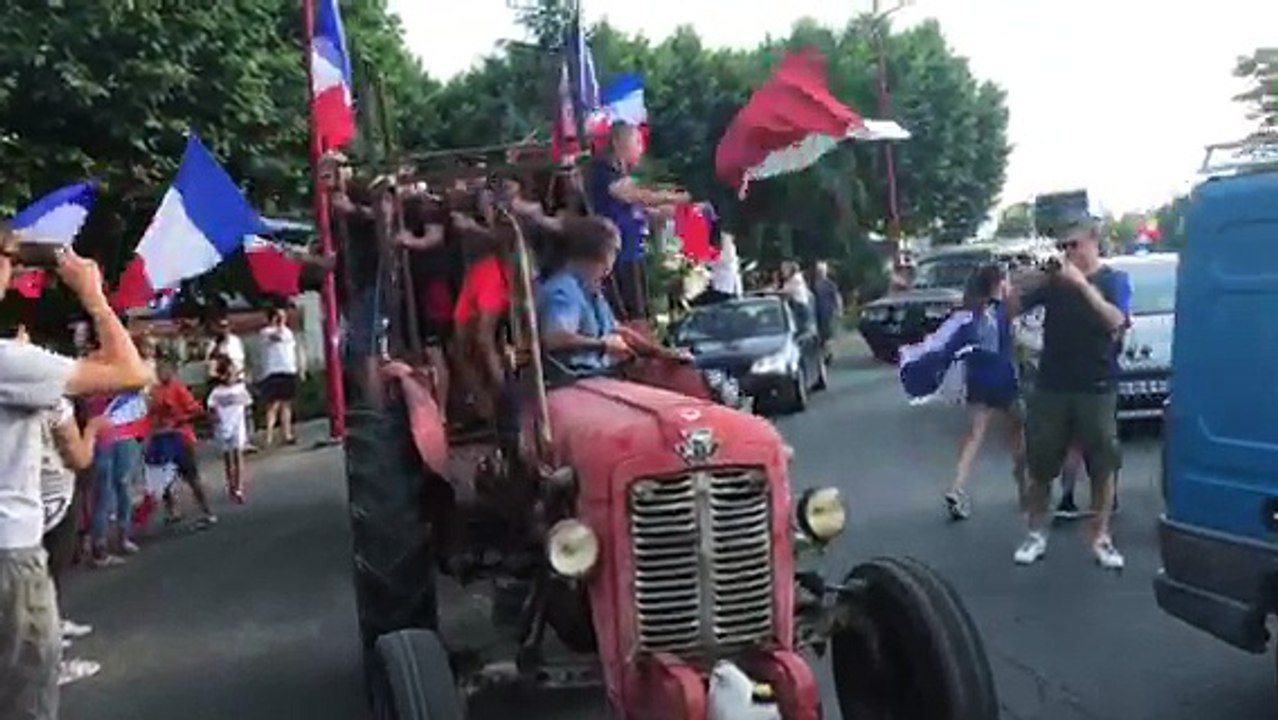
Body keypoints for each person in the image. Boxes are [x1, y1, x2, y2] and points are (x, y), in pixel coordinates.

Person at [0, 233, 152, 720]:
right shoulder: (9, 363)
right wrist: (92, 295)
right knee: (26, 700)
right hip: (9, 552)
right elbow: (131, 372)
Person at [1009, 217, 1132, 570]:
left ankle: (1101, 536)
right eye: (1062, 247)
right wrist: (1018, 282)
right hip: (1052, 385)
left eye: (1073, 245)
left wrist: (1081, 285)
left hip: (1096, 385)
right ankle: (1035, 534)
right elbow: (1014, 311)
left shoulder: (1113, 280)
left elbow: (1114, 320)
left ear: (1093, 242)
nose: (1067, 253)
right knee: (1041, 462)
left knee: (1103, 464)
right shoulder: (1055, 282)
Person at [537, 217, 691, 371]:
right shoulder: (564, 289)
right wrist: (603, 345)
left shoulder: (590, 290)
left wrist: (662, 353)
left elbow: (618, 331)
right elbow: (555, 339)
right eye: (612, 254)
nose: (610, 267)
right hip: (572, 379)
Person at [942, 265, 1025, 520]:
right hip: (1003, 376)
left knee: (975, 434)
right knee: (1018, 433)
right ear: (1000, 284)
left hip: (977, 378)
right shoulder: (1004, 311)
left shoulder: (971, 311)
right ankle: (1024, 489)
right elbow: (1018, 340)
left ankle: (956, 486)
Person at [588, 121, 689, 320]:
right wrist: (674, 197)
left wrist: (663, 212)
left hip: (634, 252)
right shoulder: (603, 170)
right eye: (636, 142)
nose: (640, 148)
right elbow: (632, 195)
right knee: (631, 316)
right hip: (618, 255)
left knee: (641, 312)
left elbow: (639, 207)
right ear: (618, 143)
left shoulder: (621, 173)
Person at [147, 358, 217, 528]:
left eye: (165, 369)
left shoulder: (178, 388)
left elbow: (194, 411)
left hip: (180, 437)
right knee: (164, 479)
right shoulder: (154, 391)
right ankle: (173, 510)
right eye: (159, 370)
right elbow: (150, 415)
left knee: (191, 476)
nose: (162, 373)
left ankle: (207, 511)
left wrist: (179, 420)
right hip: (161, 437)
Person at [207, 357, 253, 504]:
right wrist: (214, 420)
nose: (231, 377)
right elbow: (211, 409)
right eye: (228, 374)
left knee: (238, 455)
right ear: (222, 375)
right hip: (223, 427)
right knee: (228, 459)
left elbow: (247, 405)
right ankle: (231, 484)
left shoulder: (240, 389)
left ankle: (239, 487)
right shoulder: (216, 392)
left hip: (237, 426)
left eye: (233, 373)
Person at [257, 308, 299, 447]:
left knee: (286, 404)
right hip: (272, 371)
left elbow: (293, 348)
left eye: (283, 316)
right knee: (273, 405)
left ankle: (286, 434)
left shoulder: (288, 332)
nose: (282, 318)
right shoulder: (266, 332)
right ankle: (269, 436)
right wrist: (278, 325)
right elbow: (276, 337)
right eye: (279, 316)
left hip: (287, 369)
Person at [812, 261, 843, 360]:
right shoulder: (813, 284)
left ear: (825, 271)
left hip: (828, 313)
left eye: (822, 270)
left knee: (827, 335)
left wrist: (839, 310)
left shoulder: (830, 284)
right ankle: (823, 354)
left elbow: (837, 297)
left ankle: (828, 354)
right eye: (819, 270)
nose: (820, 272)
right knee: (820, 335)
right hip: (817, 313)